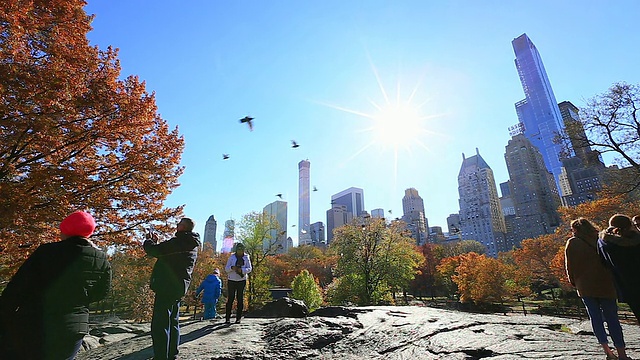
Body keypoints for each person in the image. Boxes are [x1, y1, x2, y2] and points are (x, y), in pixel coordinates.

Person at [0, 211, 111, 360]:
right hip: (73, 331)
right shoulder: (101, 259)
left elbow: (17, 288)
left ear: (65, 230)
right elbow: (102, 293)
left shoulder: (47, 252)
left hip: (36, 326)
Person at [565, 218, 629, 360]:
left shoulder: (573, 242)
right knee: (613, 319)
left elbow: (569, 266)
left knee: (595, 318)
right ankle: (622, 354)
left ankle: (608, 352)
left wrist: (574, 282)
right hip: (606, 284)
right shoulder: (601, 238)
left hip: (585, 286)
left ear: (575, 229)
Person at [143, 218, 201, 360]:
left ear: (183, 227)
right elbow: (166, 253)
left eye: (179, 224)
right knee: (173, 320)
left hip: (166, 286)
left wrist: (149, 241)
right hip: (179, 286)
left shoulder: (177, 242)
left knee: (160, 323)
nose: (177, 226)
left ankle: (161, 356)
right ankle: (172, 353)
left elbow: (154, 251)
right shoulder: (192, 244)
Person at [599, 213, 640, 325]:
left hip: (625, 286)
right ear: (629, 227)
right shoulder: (636, 242)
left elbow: (604, 263)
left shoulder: (603, 243)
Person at [224, 242, 252, 324]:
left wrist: (242, 270)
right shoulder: (232, 257)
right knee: (231, 298)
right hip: (231, 280)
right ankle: (227, 318)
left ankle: (238, 318)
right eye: (238, 249)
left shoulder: (246, 257)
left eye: (241, 249)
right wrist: (232, 268)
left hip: (241, 280)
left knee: (240, 298)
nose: (240, 251)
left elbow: (249, 268)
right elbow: (226, 269)